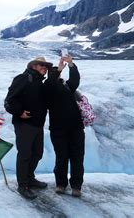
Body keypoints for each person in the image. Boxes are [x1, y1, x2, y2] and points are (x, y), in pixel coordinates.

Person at [4, 56, 52, 200]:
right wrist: (19, 112)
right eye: (42, 65)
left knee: (37, 153)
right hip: (24, 124)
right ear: (33, 66)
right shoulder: (23, 78)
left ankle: (30, 178)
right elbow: (9, 100)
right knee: (25, 155)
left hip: (37, 124)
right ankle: (23, 185)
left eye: (46, 66)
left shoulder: (39, 82)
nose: (45, 68)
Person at [44, 55, 84, 197]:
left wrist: (71, 65)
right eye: (55, 73)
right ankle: (61, 184)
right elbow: (49, 84)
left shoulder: (68, 86)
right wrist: (58, 70)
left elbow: (75, 80)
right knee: (61, 157)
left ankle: (76, 186)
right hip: (58, 128)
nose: (58, 74)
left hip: (76, 127)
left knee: (77, 157)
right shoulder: (48, 88)